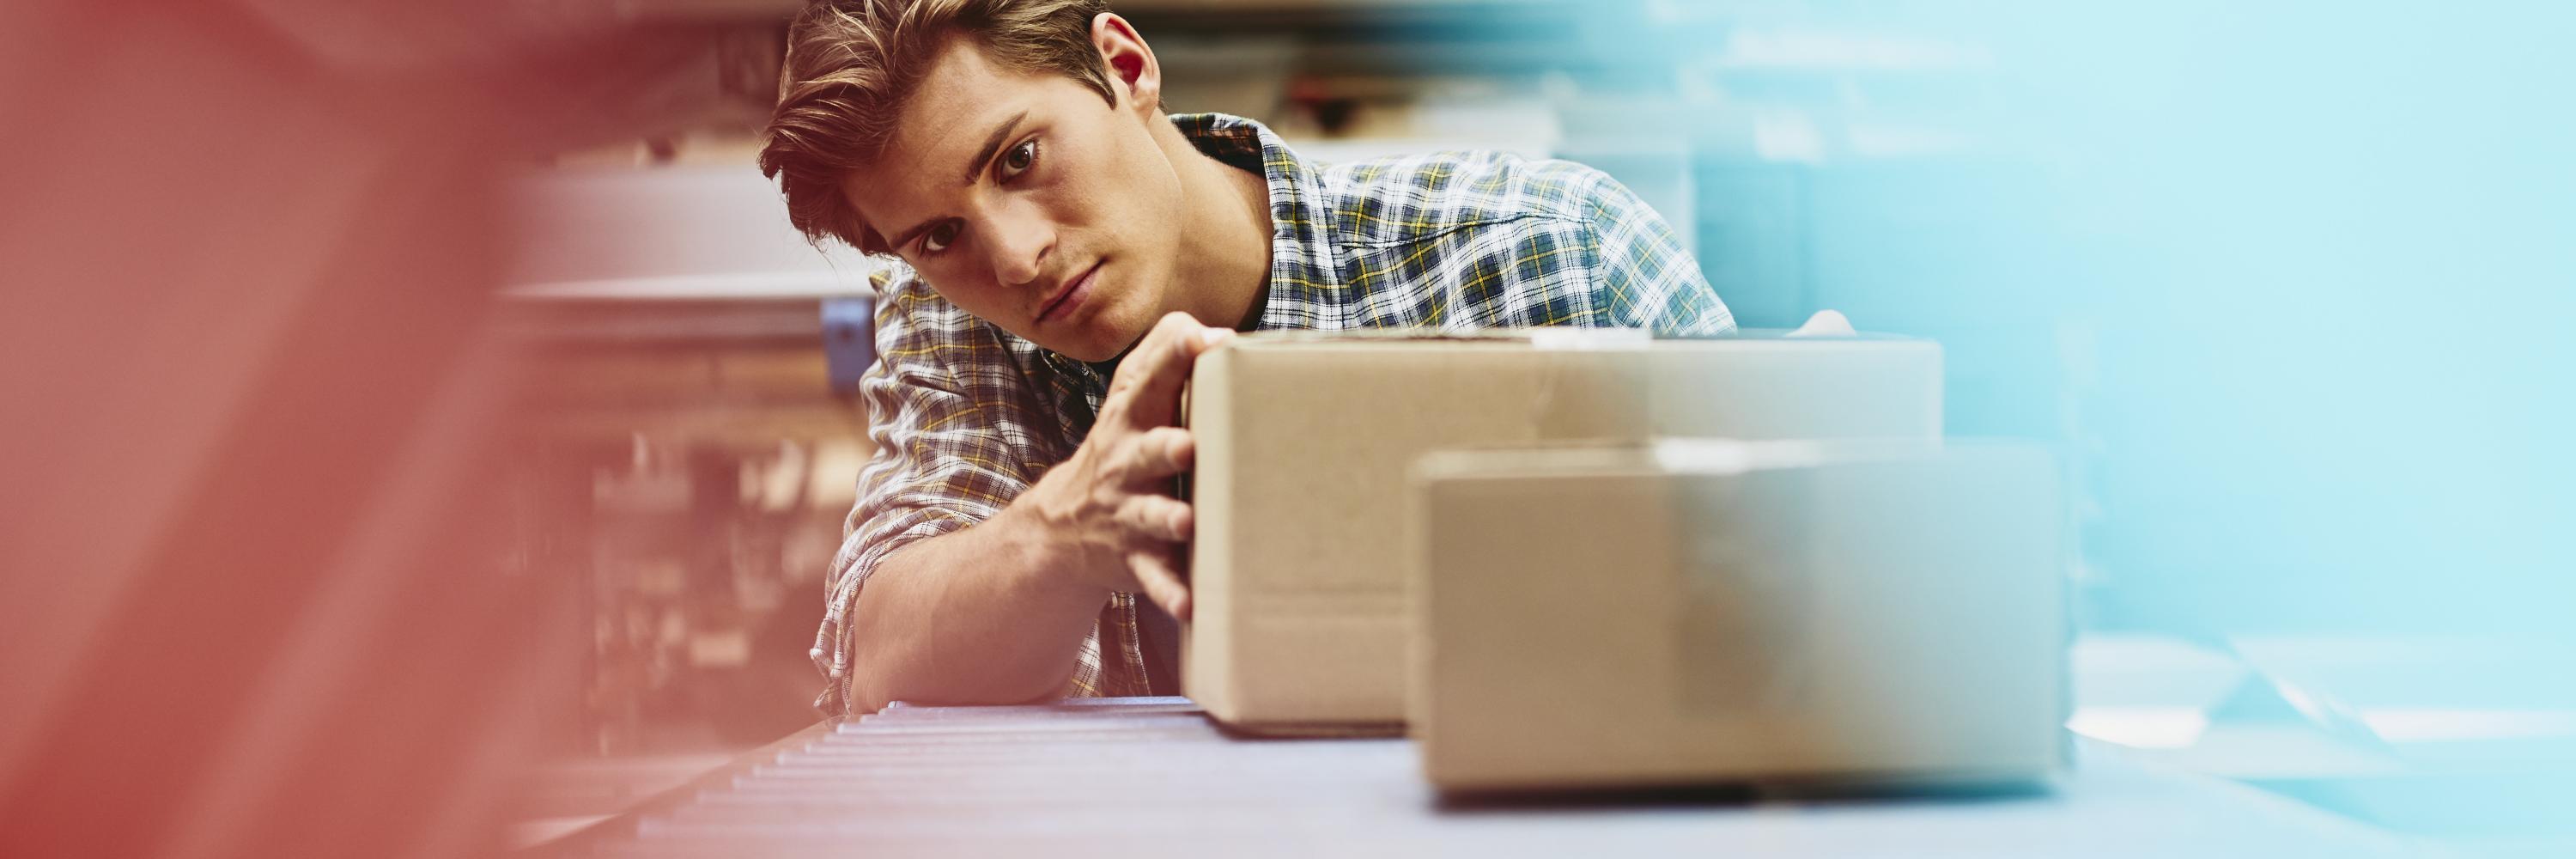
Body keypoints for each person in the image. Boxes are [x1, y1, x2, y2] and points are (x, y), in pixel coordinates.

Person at [760, 0, 1734, 716]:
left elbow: (1804, 603)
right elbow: (880, 660)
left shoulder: (1553, 250)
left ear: (1126, 68)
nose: (1013, 258)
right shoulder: (959, 317)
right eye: (937, 237)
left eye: (1018, 159)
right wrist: (1061, 538)